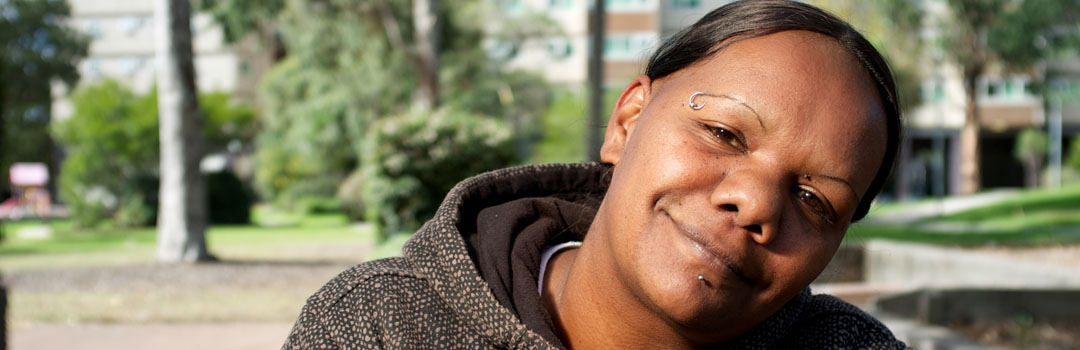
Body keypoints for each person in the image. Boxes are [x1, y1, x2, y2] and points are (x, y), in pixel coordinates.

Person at [283, 1, 906, 349]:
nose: (754, 202)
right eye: (722, 133)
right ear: (628, 121)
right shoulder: (383, 325)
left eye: (813, 199)